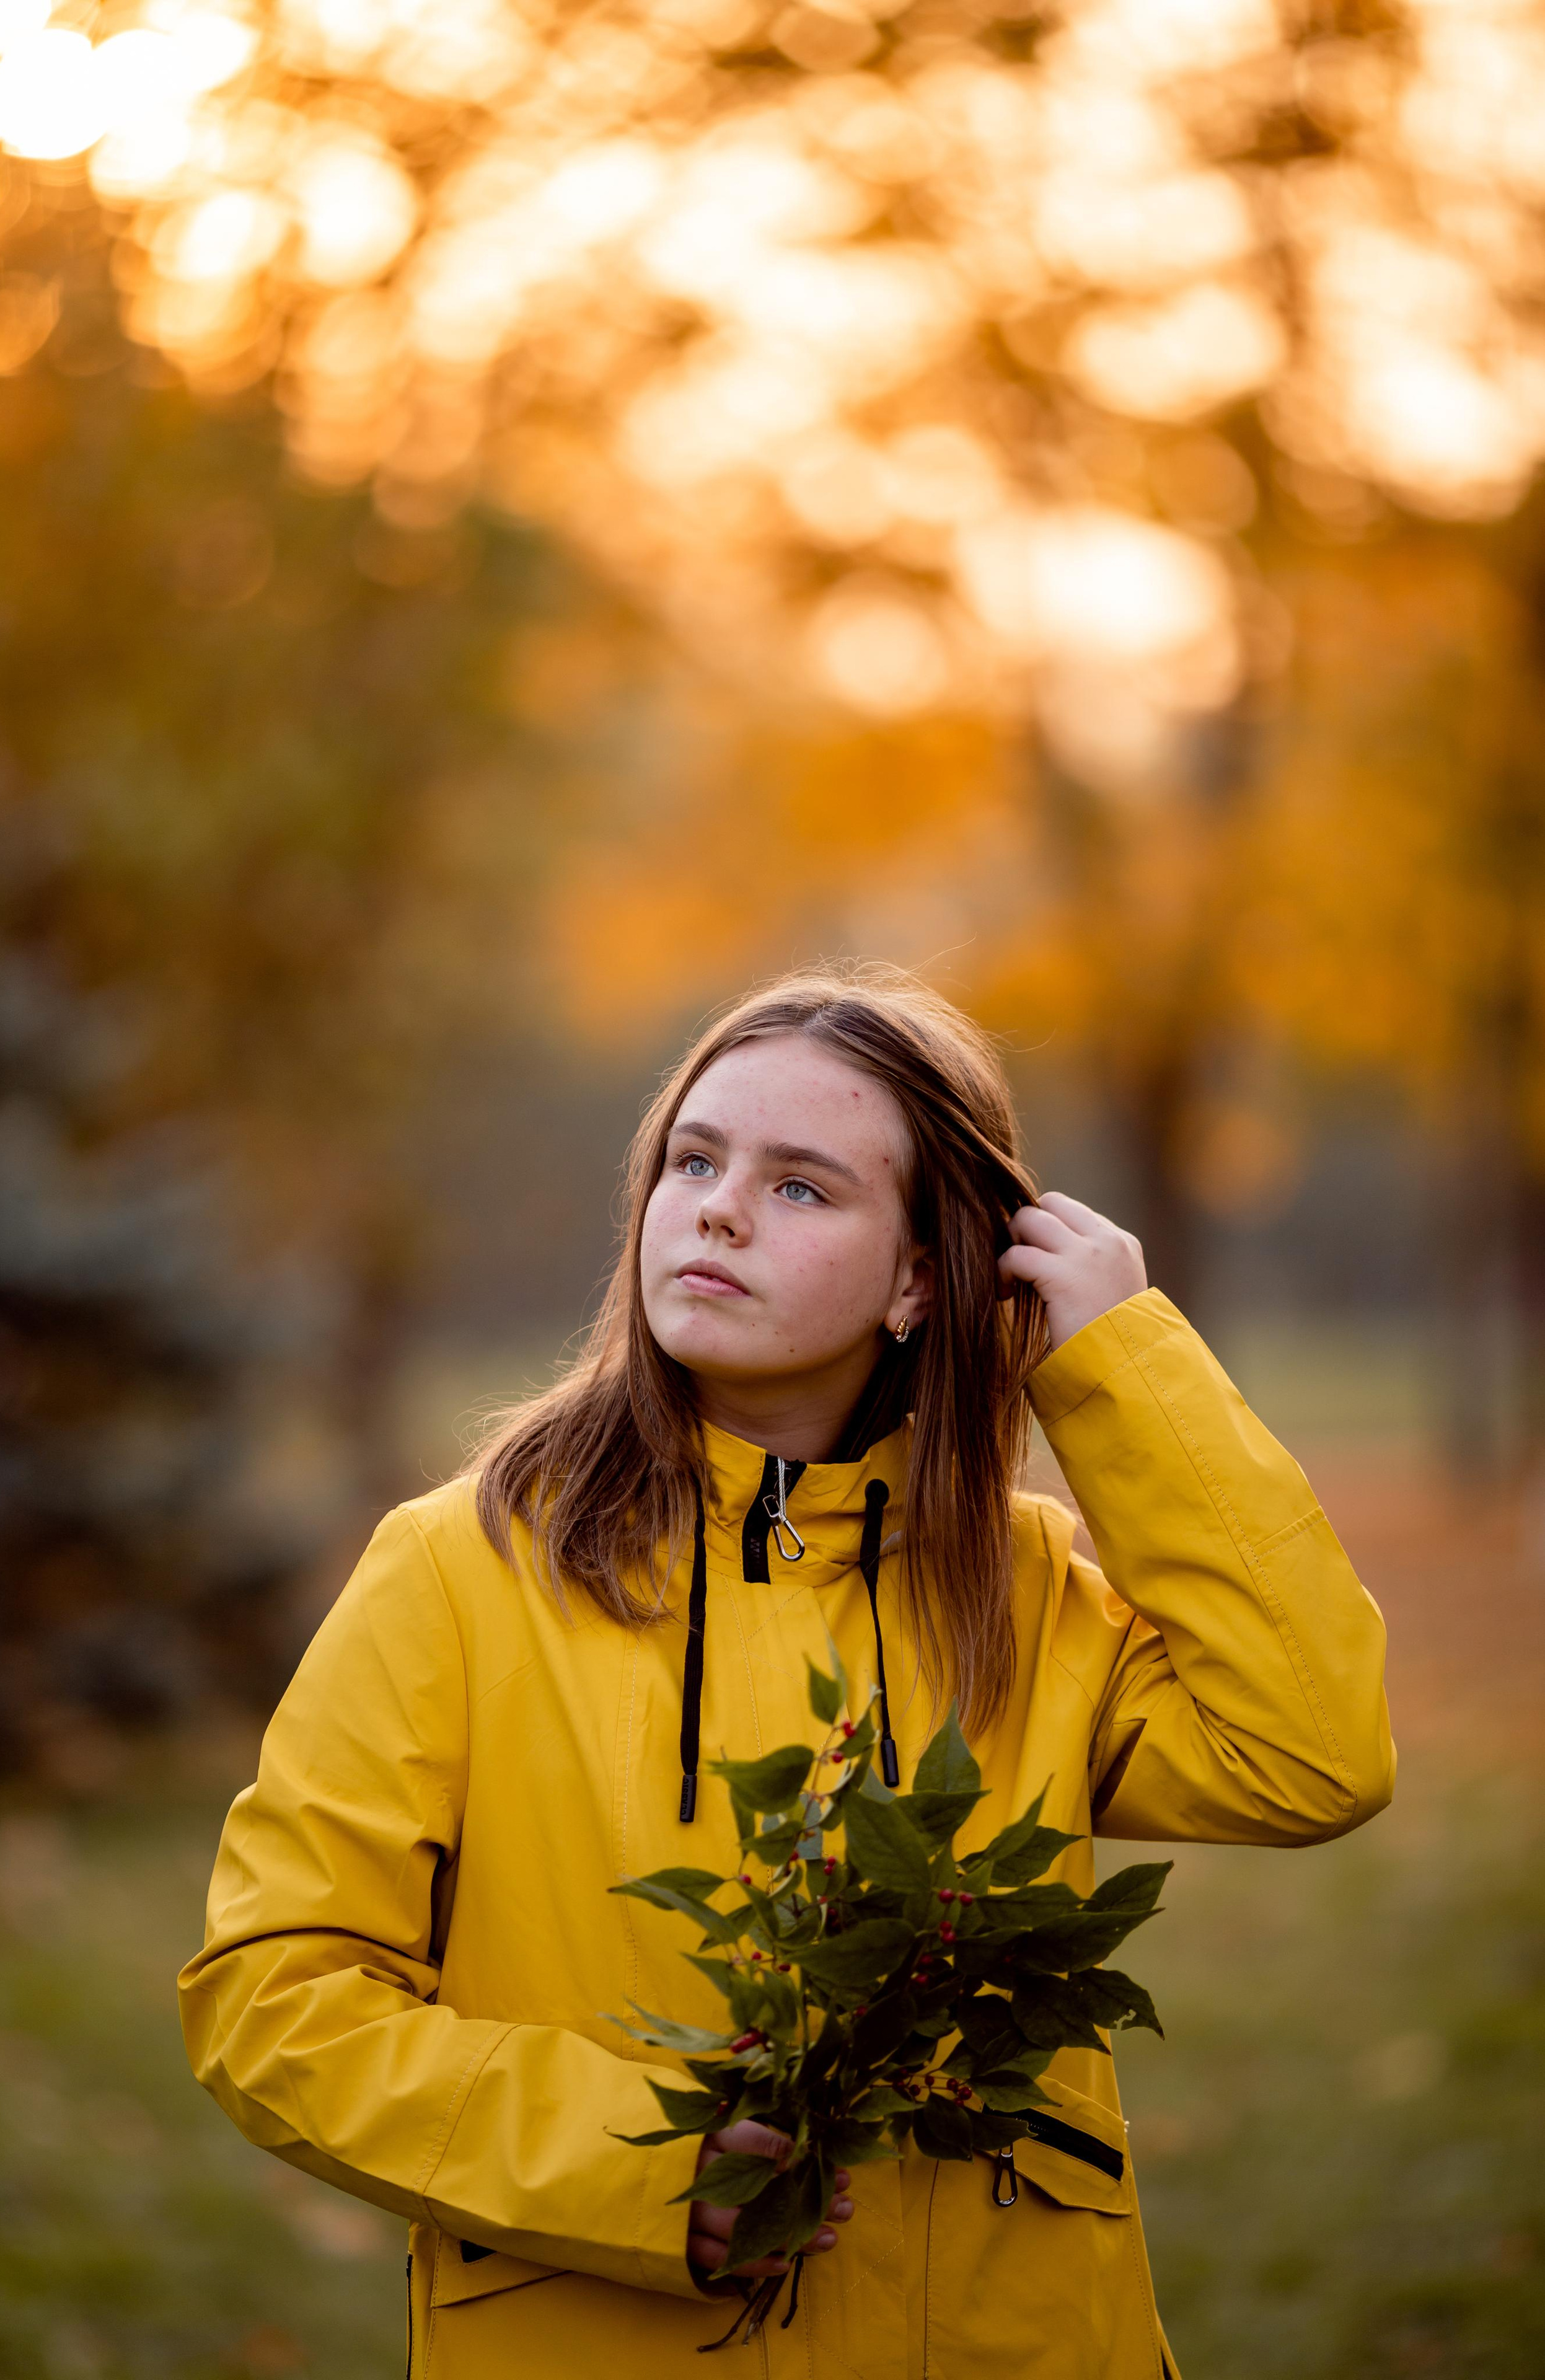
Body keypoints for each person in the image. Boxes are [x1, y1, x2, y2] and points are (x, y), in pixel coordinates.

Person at [179, 965, 1394, 2380]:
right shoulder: (463, 1569)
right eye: (693, 1159)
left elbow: (1311, 1752)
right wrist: (643, 2168)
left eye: (801, 1186)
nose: (717, 1207)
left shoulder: (1023, 1591)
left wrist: (1123, 1368)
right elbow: (274, 1996)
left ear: (920, 1277)